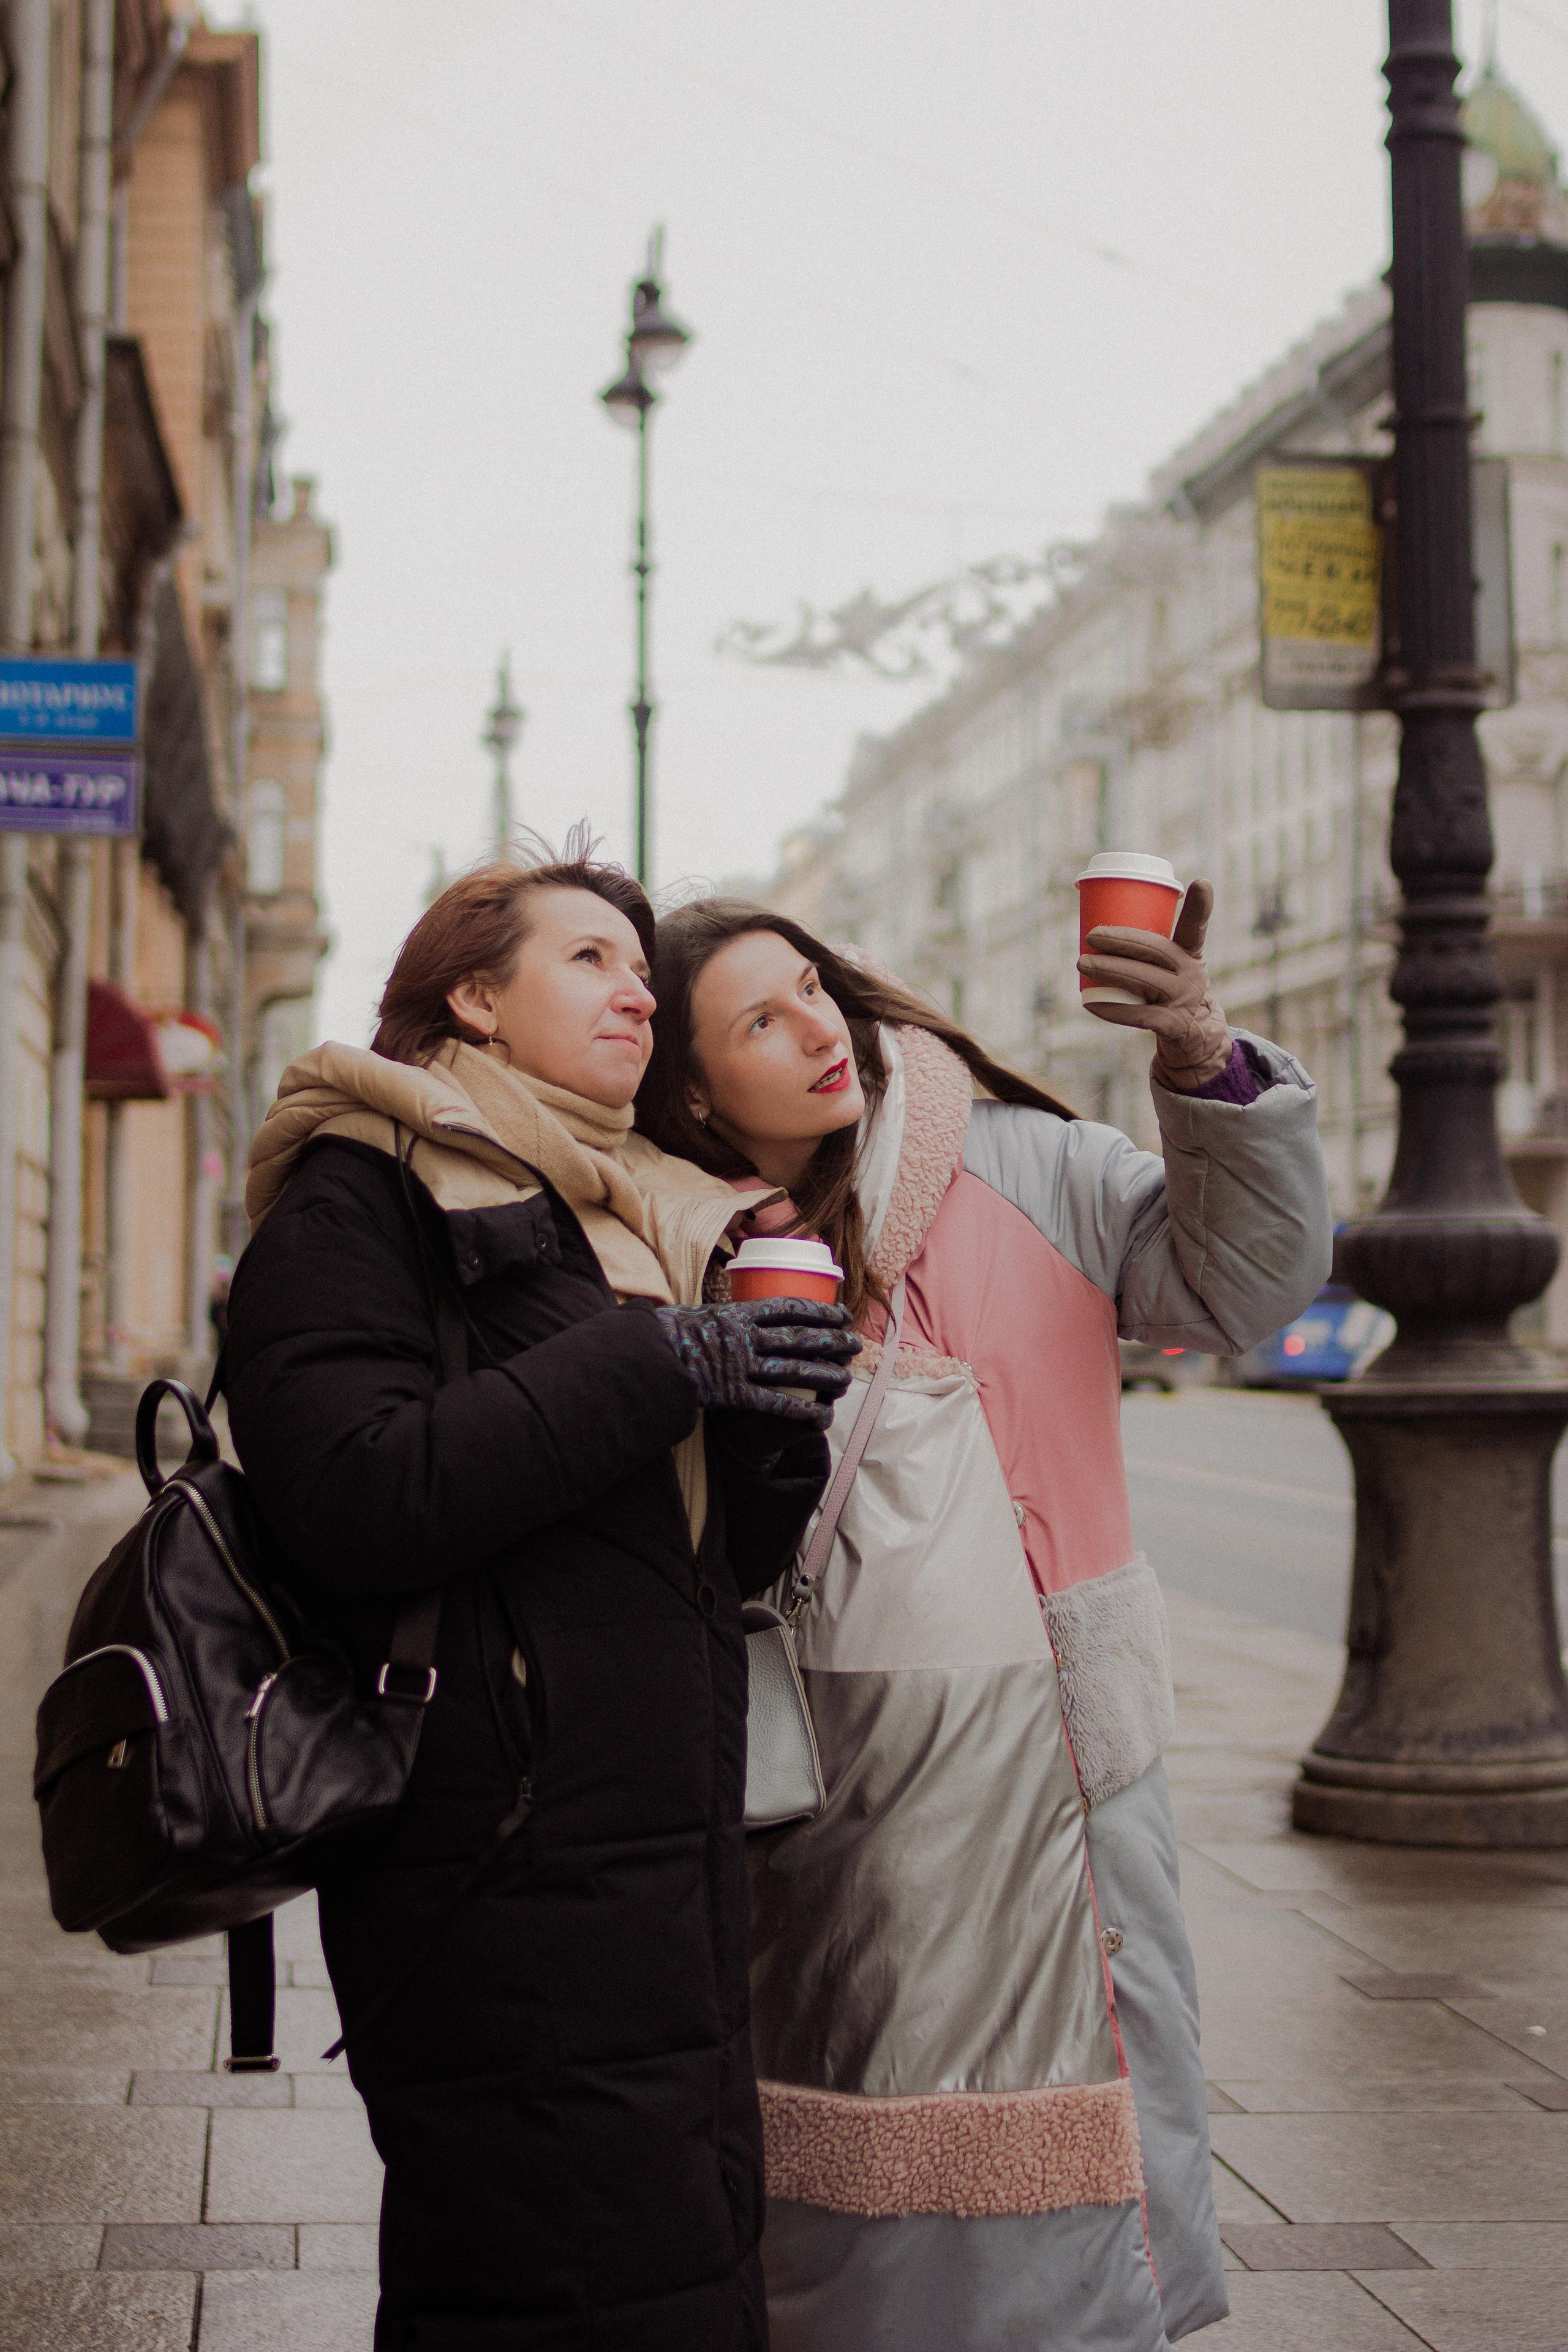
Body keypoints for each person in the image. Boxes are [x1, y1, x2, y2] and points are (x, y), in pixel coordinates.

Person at [635, 883, 1332, 2352]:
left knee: (1074, 2150)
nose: (816, 1026)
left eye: (814, 986)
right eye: (759, 1019)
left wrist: (1202, 1064)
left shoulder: (1024, 1163)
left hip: (1061, 1767)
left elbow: (1244, 1283)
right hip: (813, 1774)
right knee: (837, 2152)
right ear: (693, 1088)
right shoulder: (667, 1236)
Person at [223, 840, 859, 2352]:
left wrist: (771, 1425)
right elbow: (354, 1497)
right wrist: (657, 1365)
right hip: (491, 1863)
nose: (634, 988)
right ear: (474, 998)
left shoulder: (635, 1212)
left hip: (650, 1850)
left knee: (668, 2269)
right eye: (588, 958)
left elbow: (707, 1570)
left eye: (641, 967)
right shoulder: (359, 1192)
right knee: (545, 2280)